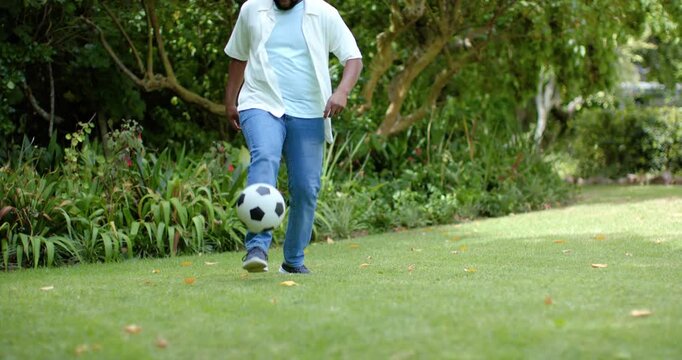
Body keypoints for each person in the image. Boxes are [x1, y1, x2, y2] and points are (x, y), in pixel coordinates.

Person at [224, 0, 363, 274]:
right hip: (260, 102)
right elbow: (238, 57)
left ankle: (293, 261)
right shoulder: (252, 9)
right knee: (265, 156)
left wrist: (342, 92)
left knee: (306, 188)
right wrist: (230, 101)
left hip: (309, 111)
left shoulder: (322, 12)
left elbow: (353, 58)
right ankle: (257, 246)